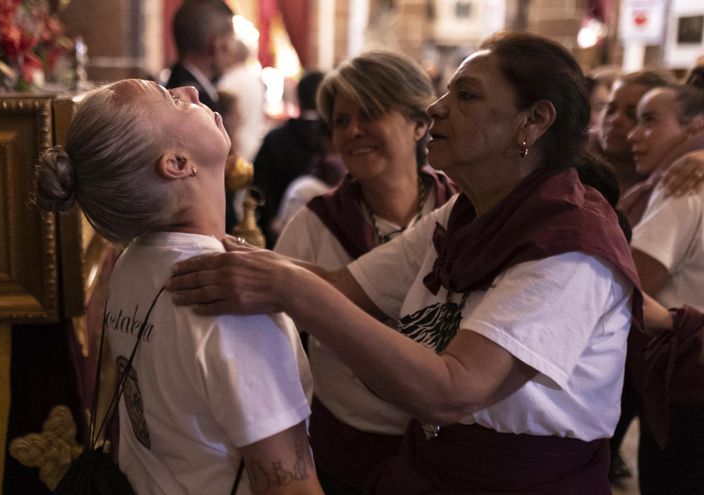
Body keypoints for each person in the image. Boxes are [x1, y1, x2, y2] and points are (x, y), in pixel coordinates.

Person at [167, 32, 642, 493]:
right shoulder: (464, 212)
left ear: (533, 121)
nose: (436, 107)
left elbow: (453, 390)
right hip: (434, 465)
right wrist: (194, 244)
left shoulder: (570, 246)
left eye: (466, 95)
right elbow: (342, 285)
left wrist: (290, 289)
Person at [33, 79, 323, 495]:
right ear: (177, 163)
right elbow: (290, 487)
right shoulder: (229, 299)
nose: (189, 90)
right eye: (172, 99)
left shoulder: (133, 260)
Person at [273, 50, 455, 495]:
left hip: (454, 450)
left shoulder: (462, 214)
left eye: (370, 113)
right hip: (348, 452)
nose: (353, 130)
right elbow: (273, 347)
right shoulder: (313, 225)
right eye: (340, 121)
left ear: (419, 124)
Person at [624, 82, 704, 494]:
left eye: (649, 120)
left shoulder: (688, 181)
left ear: (695, 126)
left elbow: (630, 284)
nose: (633, 134)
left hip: (687, 385)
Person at [166, 0, 238, 231]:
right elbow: (209, 178)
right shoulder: (193, 101)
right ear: (218, 45)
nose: (234, 50)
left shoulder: (178, 84)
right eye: (231, 41)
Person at [253, 70, 326, 247]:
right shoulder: (334, 139)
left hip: (275, 238)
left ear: (297, 99)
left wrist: (270, 221)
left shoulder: (275, 138)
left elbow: (258, 185)